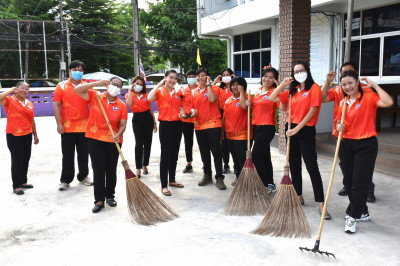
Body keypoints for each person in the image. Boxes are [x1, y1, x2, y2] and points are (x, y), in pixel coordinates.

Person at [269, 61, 331, 219]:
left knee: (312, 166)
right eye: (296, 71)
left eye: (301, 70)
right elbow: (272, 97)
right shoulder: (292, 90)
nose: (299, 73)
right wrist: (283, 83)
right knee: (294, 165)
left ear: (307, 71)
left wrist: (297, 129)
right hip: (290, 128)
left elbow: (313, 110)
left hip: (305, 129)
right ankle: (298, 196)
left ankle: (321, 204)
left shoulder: (314, 88)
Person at [336, 70, 393, 233]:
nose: (347, 87)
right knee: (348, 182)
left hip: (366, 144)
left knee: (359, 182)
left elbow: (388, 102)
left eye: (350, 83)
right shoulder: (343, 103)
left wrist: (374, 85)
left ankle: (352, 216)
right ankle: (362, 211)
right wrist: (339, 127)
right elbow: (341, 124)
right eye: (344, 84)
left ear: (357, 83)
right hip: (347, 143)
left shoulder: (368, 97)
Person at [321, 62, 376, 203]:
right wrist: (327, 81)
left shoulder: (364, 91)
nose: (347, 82)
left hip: (360, 133)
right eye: (343, 74)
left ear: (356, 76)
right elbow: (321, 98)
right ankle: (348, 185)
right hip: (342, 132)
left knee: (362, 166)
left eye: (350, 73)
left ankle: (368, 190)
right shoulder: (339, 89)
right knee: (345, 163)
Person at [75, 77, 127, 213]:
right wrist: (97, 84)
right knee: (98, 170)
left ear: (120, 90)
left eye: (118, 86)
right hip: (95, 139)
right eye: (113, 84)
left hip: (113, 140)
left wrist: (119, 133)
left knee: (111, 170)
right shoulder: (96, 96)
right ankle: (99, 200)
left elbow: (123, 124)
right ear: (108, 84)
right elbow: (77, 90)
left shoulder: (121, 105)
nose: (115, 87)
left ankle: (110, 196)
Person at [53, 60, 92, 191]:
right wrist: (59, 124)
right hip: (67, 127)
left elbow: (94, 104)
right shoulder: (61, 86)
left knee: (84, 154)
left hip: (85, 127)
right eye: (75, 70)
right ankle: (65, 180)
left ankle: (83, 176)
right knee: (67, 154)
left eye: (80, 70)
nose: (77, 72)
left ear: (83, 72)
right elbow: (57, 105)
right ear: (69, 71)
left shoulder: (87, 86)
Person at [148, 70, 186, 196]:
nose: (173, 80)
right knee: (165, 155)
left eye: (175, 78)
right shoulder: (160, 91)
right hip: (165, 125)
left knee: (174, 154)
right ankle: (164, 185)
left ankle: (172, 180)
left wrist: (182, 113)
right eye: (170, 78)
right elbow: (149, 98)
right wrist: (160, 83)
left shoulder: (177, 92)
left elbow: (181, 107)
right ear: (165, 78)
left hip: (178, 124)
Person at [0, 82, 39, 195]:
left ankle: (23, 182)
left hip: (27, 134)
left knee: (25, 158)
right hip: (14, 135)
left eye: (27, 89)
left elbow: (32, 120)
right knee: (17, 160)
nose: (24, 90)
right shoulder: (10, 100)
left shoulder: (30, 103)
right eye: (22, 88)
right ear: (16, 89)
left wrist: (35, 135)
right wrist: (10, 91)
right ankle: (16, 185)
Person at [191, 68, 226, 190]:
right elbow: (192, 108)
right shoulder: (194, 92)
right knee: (204, 152)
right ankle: (207, 175)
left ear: (207, 78)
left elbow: (212, 99)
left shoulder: (214, 88)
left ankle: (219, 177)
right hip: (199, 125)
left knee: (216, 152)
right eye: (198, 76)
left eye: (203, 76)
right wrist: (192, 112)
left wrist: (209, 85)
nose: (200, 78)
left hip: (213, 124)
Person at [246, 67, 279, 192]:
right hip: (256, 126)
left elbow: (282, 106)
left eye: (271, 77)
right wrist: (251, 104)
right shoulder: (258, 91)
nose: (267, 79)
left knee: (256, 157)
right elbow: (256, 108)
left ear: (275, 80)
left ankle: (264, 184)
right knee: (265, 156)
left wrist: (279, 88)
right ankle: (270, 184)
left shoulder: (273, 92)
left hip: (267, 127)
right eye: (265, 76)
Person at [125, 76, 157, 178]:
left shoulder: (146, 95)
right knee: (139, 144)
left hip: (147, 118)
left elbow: (150, 108)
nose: (138, 86)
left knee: (148, 143)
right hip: (137, 119)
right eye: (136, 83)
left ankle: (144, 165)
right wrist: (130, 89)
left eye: (141, 84)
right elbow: (129, 103)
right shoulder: (129, 94)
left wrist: (154, 122)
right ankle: (138, 167)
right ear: (133, 84)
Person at [222, 76, 249, 186]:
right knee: (235, 158)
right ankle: (238, 176)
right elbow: (225, 117)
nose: (235, 87)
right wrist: (222, 131)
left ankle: (245, 179)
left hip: (242, 135)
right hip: (230, 135)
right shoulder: (228, 100)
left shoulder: (247, 98)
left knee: (242, 158)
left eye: (238, 84)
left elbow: (244, 107)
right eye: (233, 85)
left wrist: (242, 93)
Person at [213, 68, 234, 174]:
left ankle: (238, 164)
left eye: (228, 75)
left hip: (235, 114)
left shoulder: (236, 88)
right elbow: (209, 92)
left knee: (235, 141)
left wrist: (236, 80)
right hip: (222, 114)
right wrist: (215, 81)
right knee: (224, 142)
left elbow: (243, 91)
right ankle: (226, 164)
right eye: (223, 75)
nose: (226, 77)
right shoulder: (219, 89)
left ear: (232, 75)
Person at [180, 70, 198, 173]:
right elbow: (180, 104)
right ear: (186, 78)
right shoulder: (182, 90)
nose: (191, 78)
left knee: (203, 143)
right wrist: (184, 111)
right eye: (189, 76)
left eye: (193, 76)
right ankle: (189, 164)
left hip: (199, 119)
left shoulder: (200, 89)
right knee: (188, 142)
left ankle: (206, 164)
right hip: (186, 120)